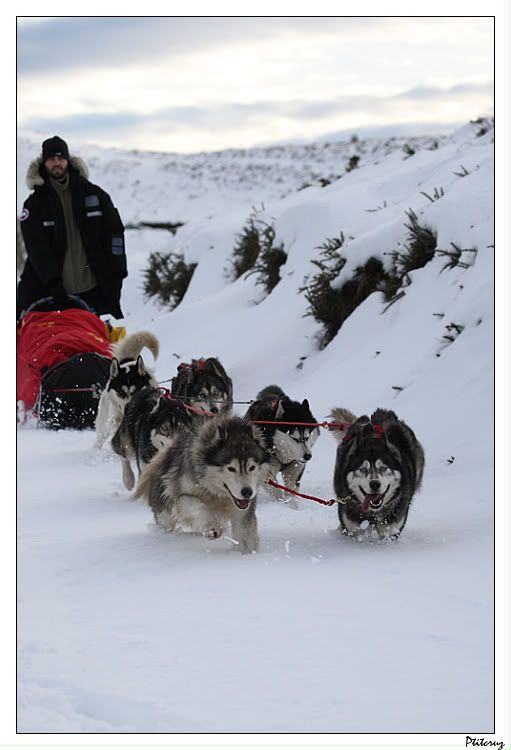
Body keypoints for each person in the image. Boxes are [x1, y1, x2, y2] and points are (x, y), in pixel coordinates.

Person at [17, 135, 127, 319]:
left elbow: (115, 235)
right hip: (53, 293)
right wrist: (53, 282)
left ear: (68, 160)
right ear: (44, 163)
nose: (57, 163)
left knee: (99, 344)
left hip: (94, 291)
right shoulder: (34, 205)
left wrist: (116, 276)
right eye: (51, 159)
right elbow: (37, 250)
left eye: (61, 158)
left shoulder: (95, 195)